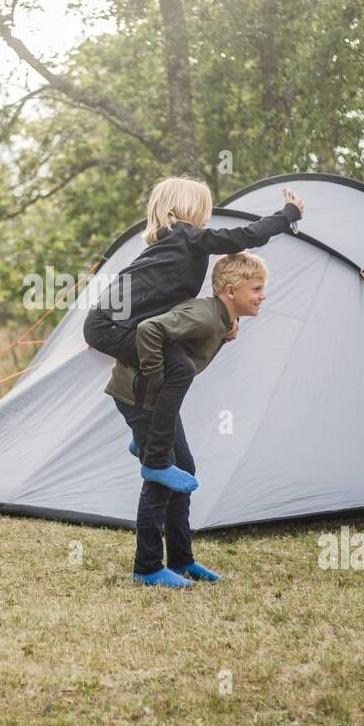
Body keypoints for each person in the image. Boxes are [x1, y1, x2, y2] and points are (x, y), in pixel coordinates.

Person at [83, 176, 302, 495]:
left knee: (172, 358)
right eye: (205, 207)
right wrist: (289, 213)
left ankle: (144, 432)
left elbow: (172, 304)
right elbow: (246, 236)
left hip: (114, 324)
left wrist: (228, 318)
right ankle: (155, 461)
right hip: (109, 326)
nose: (208, 215)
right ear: (189, 208)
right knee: (180, 369)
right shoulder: (186, 237)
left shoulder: (172, 242)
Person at [105, 251, 269, 587]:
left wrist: (229, 328)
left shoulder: (220, 320)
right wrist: (156, 378)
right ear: (230, 290)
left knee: (185, 470)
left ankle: (181, 559)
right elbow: (149, 329)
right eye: (256, 288)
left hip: (158, 406)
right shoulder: (206, 317)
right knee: (161, 477)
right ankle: (147, 566)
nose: (262, 295)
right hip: (140, 398)